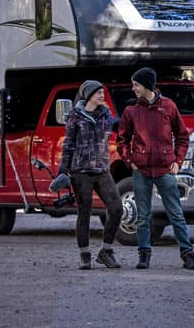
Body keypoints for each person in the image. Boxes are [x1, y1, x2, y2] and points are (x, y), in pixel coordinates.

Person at [116, 67, 194, 270]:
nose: (133, 88)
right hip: (141, 171)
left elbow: (182, 137)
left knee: (176, 214)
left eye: (136, 84)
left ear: (146, 85)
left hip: (165, 171)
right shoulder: (131, 111)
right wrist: (130, 161)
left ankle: (188, 254)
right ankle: (144, 255)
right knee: (143, 216)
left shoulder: (169, 107)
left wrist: (177, 162)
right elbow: (122, 140)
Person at [58, 80, 123, 270]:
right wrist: (63, 171)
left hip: (102, 171)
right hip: (81, 172)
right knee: (84, 212)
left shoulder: (106, 115)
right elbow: (68, 145)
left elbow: (120, 128)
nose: (102, 96)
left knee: (117, 208)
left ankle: (106, 252)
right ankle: (85, 255)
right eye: (98, 93)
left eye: (103, 93)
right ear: (88, 95)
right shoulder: (75, 117)